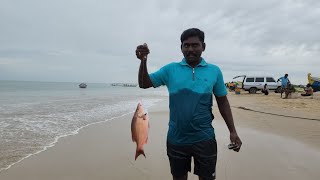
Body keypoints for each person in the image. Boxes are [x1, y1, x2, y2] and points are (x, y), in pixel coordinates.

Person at [135, 28, 242, 180]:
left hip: (205, 139)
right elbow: (144, 83)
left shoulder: (214, 71)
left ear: (203, 47)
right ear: (181, 48)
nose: (190, 49)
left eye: (195, 45)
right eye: (186, 45)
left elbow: (222, 101)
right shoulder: (170, 70)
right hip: (176, 139)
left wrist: (233, 131)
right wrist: (143, 61)